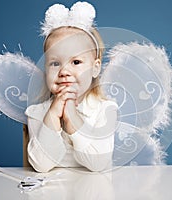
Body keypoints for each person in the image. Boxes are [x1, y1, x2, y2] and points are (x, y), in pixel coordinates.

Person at [25, 2, 118, 172]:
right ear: (45, 69)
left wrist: (72, 119)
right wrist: (52, 116)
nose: (64, 71)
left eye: (76, 62)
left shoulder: (106, 110)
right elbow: (41, 165)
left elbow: (97, 165)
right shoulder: (36, 112)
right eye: (55, 63)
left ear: (95, 68)